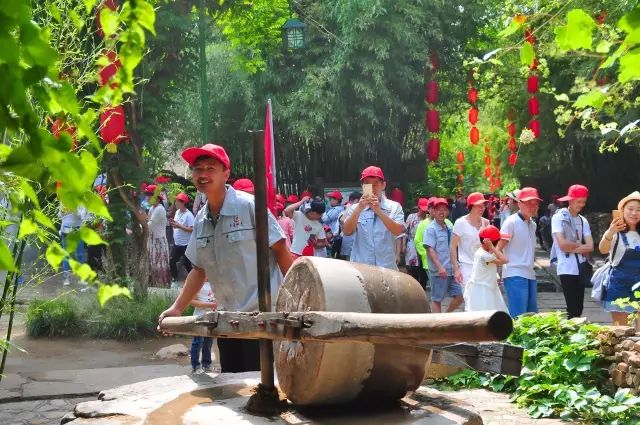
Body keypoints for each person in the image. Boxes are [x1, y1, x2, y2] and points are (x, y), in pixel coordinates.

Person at [158, 143, 293, 373]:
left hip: (261, 318)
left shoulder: (249, 206)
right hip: (227, 320)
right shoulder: (200, 219)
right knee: (232, 386)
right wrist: (177, 308)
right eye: (198, 169)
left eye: (211, 168)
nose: (203, 174)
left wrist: (295, 301)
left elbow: (281, 250)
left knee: (262, 385)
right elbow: (199, 270)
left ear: (226, 174)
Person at [343, 166, 405, 270]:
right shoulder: (355, 208)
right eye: (367, 184)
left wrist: (379, 211)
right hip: (362, 267)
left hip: (386, 267)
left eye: (376, 184)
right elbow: (347, 231)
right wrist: (359, 208)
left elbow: (398, 231)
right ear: (363, 186)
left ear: (383, 185)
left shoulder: (394, 207)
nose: (372, 188)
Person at [550, 185, 594, 319]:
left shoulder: (583, 220)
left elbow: (591, 246)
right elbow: (562, 245)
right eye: (578, 201)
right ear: (570, 200)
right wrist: (580, 246)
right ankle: (570, 335)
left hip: (580, 267)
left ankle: (573, 334)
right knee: (572, 307)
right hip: (566, 267)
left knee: (579, 307)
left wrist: (573, 247)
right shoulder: (558, 218)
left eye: (583, 202)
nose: (581, 205)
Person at [497, 187, 541, 317]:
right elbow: (498, 249)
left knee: (532, 315)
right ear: (520, 203)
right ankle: (512, 337)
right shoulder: (511, 222)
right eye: (529, 203)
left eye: (536, 204)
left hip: (530, 274)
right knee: (519, 316)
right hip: (514, 274)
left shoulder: (533, 225)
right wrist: (497, 272)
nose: (533, 207)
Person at [599, 191, 640, 326]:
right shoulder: (615, 231)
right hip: (619, 286)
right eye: (630, 209)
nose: (634, 213)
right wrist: (610, 232)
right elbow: (603, 249)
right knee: (622, 332)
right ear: (622, 211)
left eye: (638, 210)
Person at [424, 198, 462, 312]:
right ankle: (437, 326)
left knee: (460, 296)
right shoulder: (431, 229)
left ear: (448, 212)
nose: (441, 212)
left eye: (444, 209)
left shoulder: (450, 228)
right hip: (439, 271)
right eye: (438, 210)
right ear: (433, 212)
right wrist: (440, 267)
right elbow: (430, 249)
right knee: (437, 300)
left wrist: (456, 267)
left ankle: (445, 317)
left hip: (451, 269)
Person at [463, 225, 509, 313]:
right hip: (483, 290)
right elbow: (505, 260)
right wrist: (492, 247)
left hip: (485, 287)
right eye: (497, 241)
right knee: (488, 314)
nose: (498, 242)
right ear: (490, 242)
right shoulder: (484, 255)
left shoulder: (481, 251)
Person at [451, 192, 490, 287]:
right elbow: (452, 246)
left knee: (483, 300)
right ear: (471, 206)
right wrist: (456, 269)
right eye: (478, 205)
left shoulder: (486, 222)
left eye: (483, 205)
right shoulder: (460, 223)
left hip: (483, 267)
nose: (482, 208)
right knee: (470, 300)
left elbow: (489, 247)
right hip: (466, 268)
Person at [145, 185, 171, 287]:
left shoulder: (159, 209)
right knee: (152, 262)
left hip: (158, 241)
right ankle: (153, 284)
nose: (146, 198)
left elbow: (149, 225)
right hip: (152, 239)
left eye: (148, 195)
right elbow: (146, 221)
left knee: (159, 263)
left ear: (155, 197)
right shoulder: (152, 208)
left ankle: (161, 286)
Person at [190, 279, 217, 374]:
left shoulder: (214, 281)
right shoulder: (197, 281)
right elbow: (191, 301)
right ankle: (195, 366)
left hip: (212, 317)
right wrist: (209, 304)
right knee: (198, 342)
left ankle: (206, 365)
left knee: (208, 342)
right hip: (199, 317)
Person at [169, 192, 195, 288]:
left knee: (187, 263)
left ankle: (194, 282)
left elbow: (192, 229)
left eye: (177, 201)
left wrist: (179, 226)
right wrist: (174, 223)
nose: (176, 203)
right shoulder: (177, 212)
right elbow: (178, 224)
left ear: (183, 203)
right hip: (177, 243)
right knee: (172, 260)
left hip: (186, 244)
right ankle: (175, 279)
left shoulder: (189, 215)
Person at [59, 205, 87, 285]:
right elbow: (59, 216)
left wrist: (75, 208)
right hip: (65, 230)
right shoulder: (64, 201)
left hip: (78, 230)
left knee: (80, 254)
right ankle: (66, 278)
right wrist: (62, 211)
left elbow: (83, 216)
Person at [405, 198, 429, 288]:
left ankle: (422, 286)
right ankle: (413, 286)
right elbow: (405, 231)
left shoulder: (428, 218)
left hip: (424, 244)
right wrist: (403, 244)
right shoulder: (411, 217)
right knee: (412, 267)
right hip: (412, 244)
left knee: (423, 267)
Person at [338, 191, 361, 260]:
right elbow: (342, 222)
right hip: (349, 245)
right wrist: (349, 208)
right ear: (355, 200)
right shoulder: (344, 213)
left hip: (360, 246)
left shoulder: (363, 211)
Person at [322, 191, 345, 257]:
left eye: (331, 199)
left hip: (333, 237)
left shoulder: (336, 209)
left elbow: (325, 219)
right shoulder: (342, 208)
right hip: (337, 237)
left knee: (333, 257)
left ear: (337, 200)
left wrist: (323, 210)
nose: (329, 201)